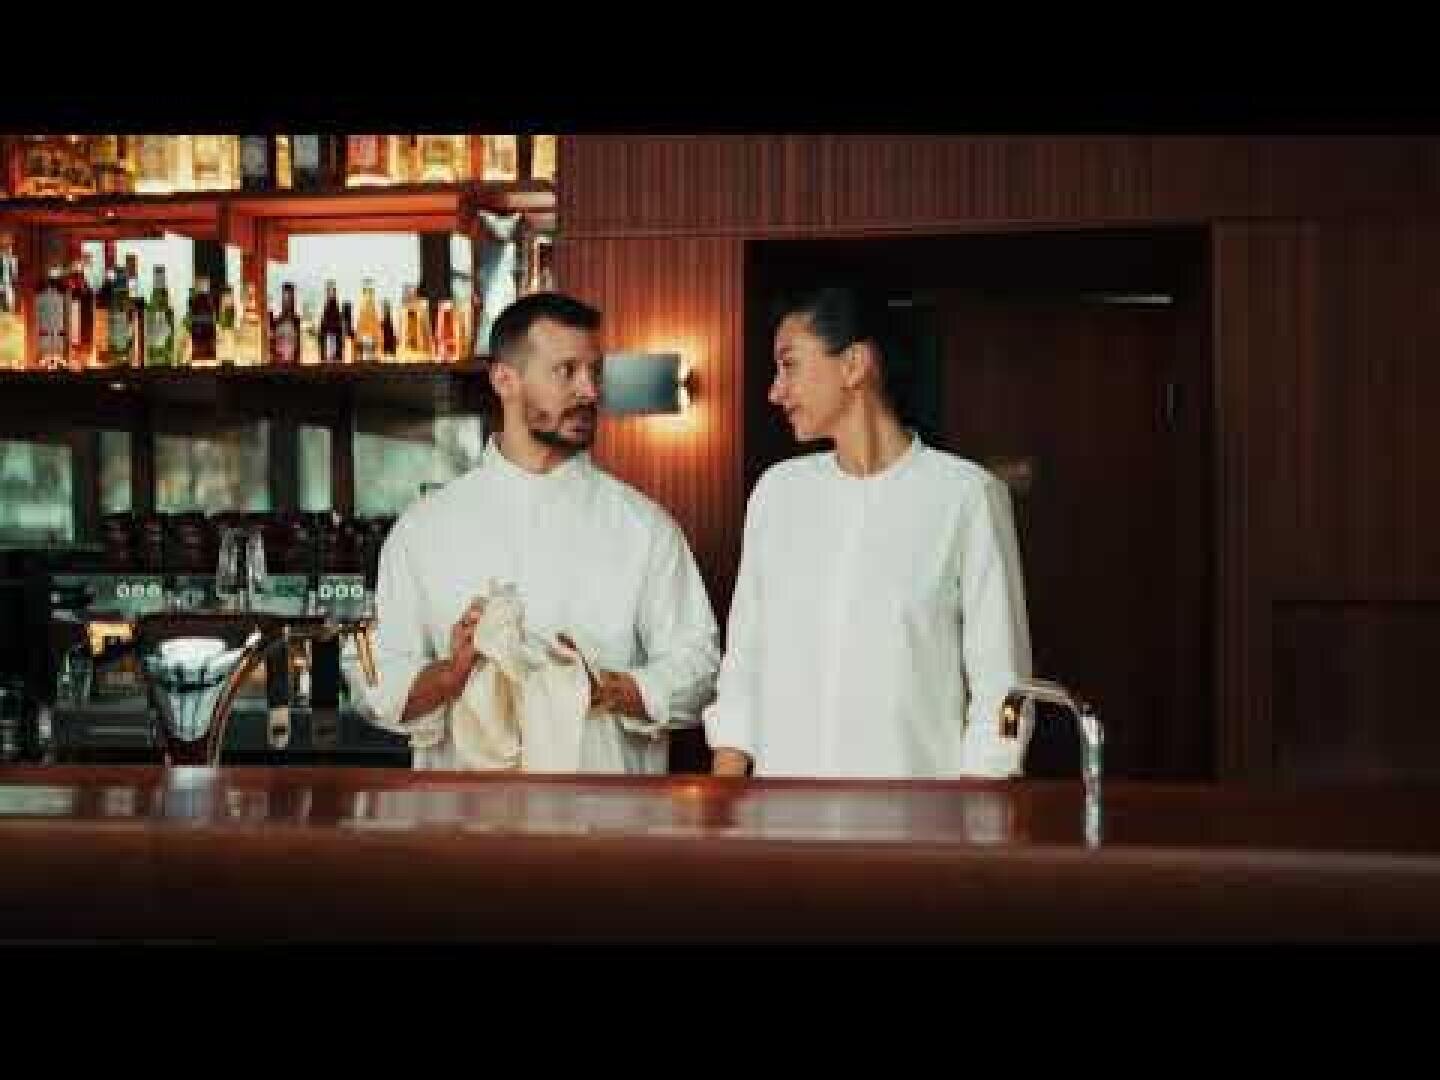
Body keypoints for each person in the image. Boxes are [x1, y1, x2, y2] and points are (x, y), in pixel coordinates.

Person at [362, 292, 720, 773]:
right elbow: (374, 679)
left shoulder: (646, 529)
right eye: (566, 371)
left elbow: (701, 669)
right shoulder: (424, 530)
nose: (590, 391)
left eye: (595, 372)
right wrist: (449, 675)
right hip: (466, 831)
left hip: (608, 828)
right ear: (504, 379)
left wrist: (609, 689)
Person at [704, 285, 1033, 778]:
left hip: (919, 823)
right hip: (783, 817)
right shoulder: (777, 495)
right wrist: (725, 805)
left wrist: (976, 815)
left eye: (789, 364)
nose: (775, 390)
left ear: (854, 364)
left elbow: (1002, 683)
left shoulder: (966, 496)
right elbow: (744, 661)